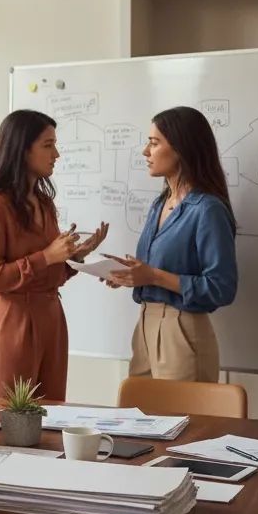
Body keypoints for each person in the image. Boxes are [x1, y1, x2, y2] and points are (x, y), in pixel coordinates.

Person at [0, 110, 108, 401]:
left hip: (52, 318)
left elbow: (51, 271)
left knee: (52, 418)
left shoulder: (44, 203)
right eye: (48, 145)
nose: (56, 154)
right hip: (13, 323)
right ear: (22, 149)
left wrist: (75, 257)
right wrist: (46, 256)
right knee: (10, 421)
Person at [106, 106, 237, 381]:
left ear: (181, 148)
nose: (145, 151)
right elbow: (156, 270)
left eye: (154, 143)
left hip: (182, 329)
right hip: (145, 324)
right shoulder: (159, 204)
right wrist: (131, 274)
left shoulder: (207, 209)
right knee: (136, 420)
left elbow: (221, 287)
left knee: (183, 423)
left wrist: (152, 275)